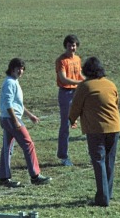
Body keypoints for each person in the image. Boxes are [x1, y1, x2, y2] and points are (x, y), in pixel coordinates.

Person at [69, 56, 120, 207]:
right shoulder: (110, 84)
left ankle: (102, 198)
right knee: (109, 161)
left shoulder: (85, 86)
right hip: (114, 127)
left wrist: (71, 120)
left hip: (96, 129)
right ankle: (107, 194)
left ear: (86, 71)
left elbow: (75, 106)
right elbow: (116, 103)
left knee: (98, 161)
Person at [0, 58, 51, 187]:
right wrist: (16, 121)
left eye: (22, 69)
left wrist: (30, 115)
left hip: (9, 118)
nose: (21, 71)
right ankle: (35, 176)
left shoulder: (14, 82)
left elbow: (18, 104)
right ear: (12, 69)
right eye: (18, 69)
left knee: (7, 148)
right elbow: (8, 104)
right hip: (11, 119)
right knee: (28, 144)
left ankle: (4, 178)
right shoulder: (10, 83)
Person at [55, 34, 84, 166]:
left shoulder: (77, 59)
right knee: (65, 124)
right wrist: (79, 83)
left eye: (74, 45)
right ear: (65, 46)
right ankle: (63, 155)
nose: (72, 48)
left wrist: (88, 81)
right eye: (69, 45)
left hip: (77, 92)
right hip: (66, 93)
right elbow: (63, 78)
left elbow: (79, 74)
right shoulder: (61, 60)